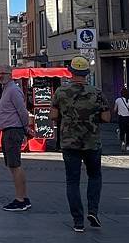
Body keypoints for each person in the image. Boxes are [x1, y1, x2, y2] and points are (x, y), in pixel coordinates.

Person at [50, 56, 110, 232]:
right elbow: (106, 117)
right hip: (92, 142)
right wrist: (92, 118)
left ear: (71, 72)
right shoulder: (97, 92)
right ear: (86, 73)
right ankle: (93, 211)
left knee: (72, 181)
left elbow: (53, 115)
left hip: (69, 142)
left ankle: (78, 221)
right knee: (95, 176)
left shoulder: (61, 92)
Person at [0, 65, 31, 211]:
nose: (0, 76)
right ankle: (23, 197)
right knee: (13, 165)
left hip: (13, 130)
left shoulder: (13, 90)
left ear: (10, 74)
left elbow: (22, 111)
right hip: (8, 130)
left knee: (15, 165)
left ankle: (20, 199)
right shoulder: (7, 89)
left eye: (3, 73)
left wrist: (25, 127)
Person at [113, 87, 129, 153]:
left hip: (121, 118)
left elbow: (114, 110)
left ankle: (122, 142)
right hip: (128, 118)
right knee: (128, 132)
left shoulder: (118, 100)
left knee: (122, 130)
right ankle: (128, 146)